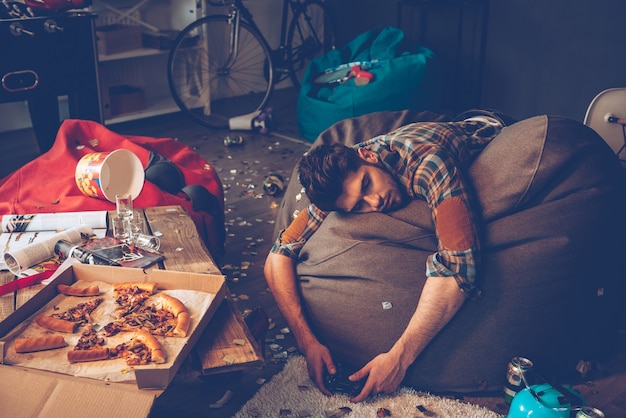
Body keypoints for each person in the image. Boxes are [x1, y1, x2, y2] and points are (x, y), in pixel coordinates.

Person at [264, 116, 504, 402]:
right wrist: (307, 342)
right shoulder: (340, 184)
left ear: (367, 156)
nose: (374, 201)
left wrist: (399, 359)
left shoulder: (428, 164)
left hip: (489, 125)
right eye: (358, 206)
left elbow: (460, 267)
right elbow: (278, 254)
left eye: (367, 184)